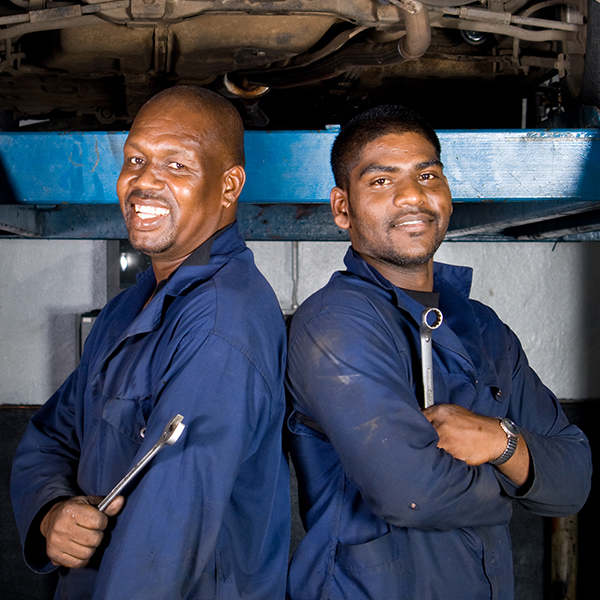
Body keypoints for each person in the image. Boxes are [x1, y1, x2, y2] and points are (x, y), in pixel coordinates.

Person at [285, 105, 592, 600]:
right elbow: (412, 495)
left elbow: (574, 480)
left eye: (428, 174)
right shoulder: (334, 324)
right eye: (382, 181)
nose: (413, 196)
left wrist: (499, 442)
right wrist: (521, 477)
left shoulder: (484, 328)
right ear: (342, 208)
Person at [11, 86, 290, 599]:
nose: (144, 182)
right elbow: (52, 435)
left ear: (228, 187)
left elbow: (165, 541)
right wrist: (52, 511)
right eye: (135, 159)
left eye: (177, 165)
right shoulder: (129, 306)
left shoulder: (220, 324)